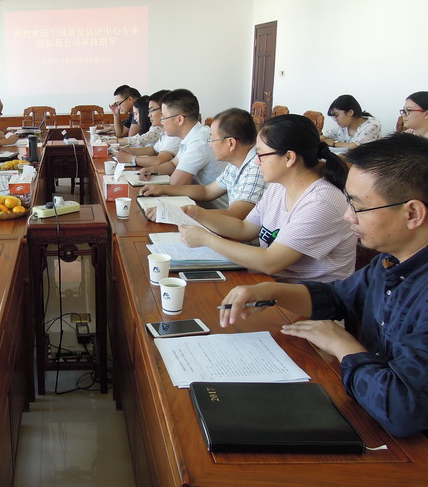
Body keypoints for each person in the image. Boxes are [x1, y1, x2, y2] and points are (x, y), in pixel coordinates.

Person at [219, 133, 428, 438]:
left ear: (412, 213)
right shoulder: (391, 260)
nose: (347, 216)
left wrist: (342, 345)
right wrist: (271, 292)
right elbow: (338, 297)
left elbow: (401, 410)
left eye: (357, 206)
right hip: (368, 407)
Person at [179, 114, 356, 283]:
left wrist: (207, 240)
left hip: (305, 295)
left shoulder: (321, 202)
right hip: (269, 282)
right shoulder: (279, 186)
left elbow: (270, 262)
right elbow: (245, 228)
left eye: (261, 155)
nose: (256, 162)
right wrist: (198, 214)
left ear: (289, 157)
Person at [140, 108, 266, 218]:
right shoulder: (235, 163)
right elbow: (207, 191)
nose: (210, 144)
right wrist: (162, 189)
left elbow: (234, 215)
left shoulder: (256, 167)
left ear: (231, 143)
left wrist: (175, 213)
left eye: (212, 139)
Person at [137, 89, 225, 187]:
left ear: (179, 119)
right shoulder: (191, 135)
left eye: (164, 118)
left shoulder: (200, 141)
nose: (162, 122)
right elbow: (174, 164)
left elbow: (176, 183)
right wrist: (152, 170)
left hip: (204, 197)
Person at [114, 89, 180, 168]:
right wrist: (130, 150)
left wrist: (130, 158)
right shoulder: (165, 131)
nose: (149, 115)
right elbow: (154, 150)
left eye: (152, 110)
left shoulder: (174, 134)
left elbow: (159, 161)